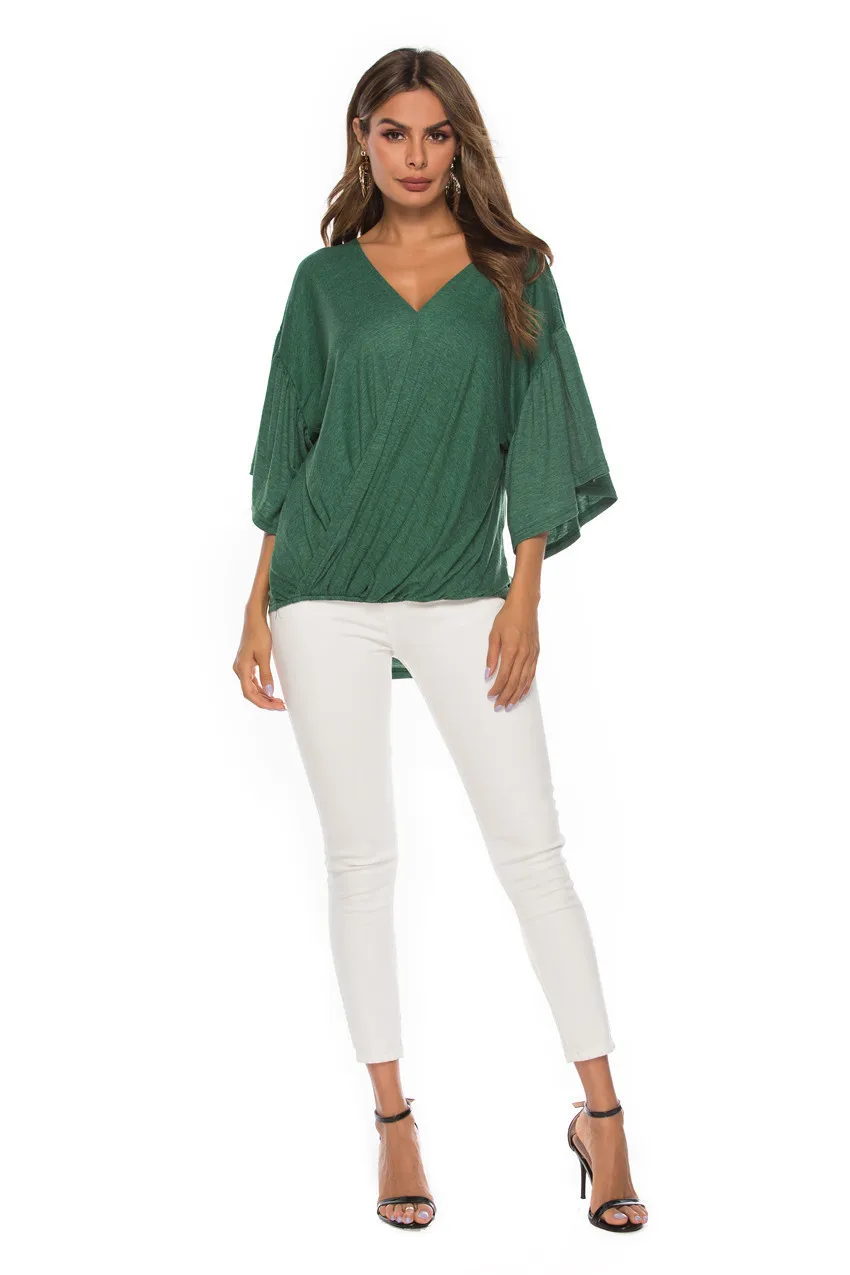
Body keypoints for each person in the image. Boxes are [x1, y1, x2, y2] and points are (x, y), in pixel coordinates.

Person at [233, 46, 647, 1235]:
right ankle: (394, 1123)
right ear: (361, 141)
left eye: (435, 134)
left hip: (465, 591)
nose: (414, 155)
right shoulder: (323, 283)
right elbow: (289, 443)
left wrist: (525, 593)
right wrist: (258, 604)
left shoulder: (514, 273)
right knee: (361, 861)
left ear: (460, 143)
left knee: (534, 855)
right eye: (393, 133)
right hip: (323, 593)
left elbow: (542, 430)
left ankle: (604, 1118)